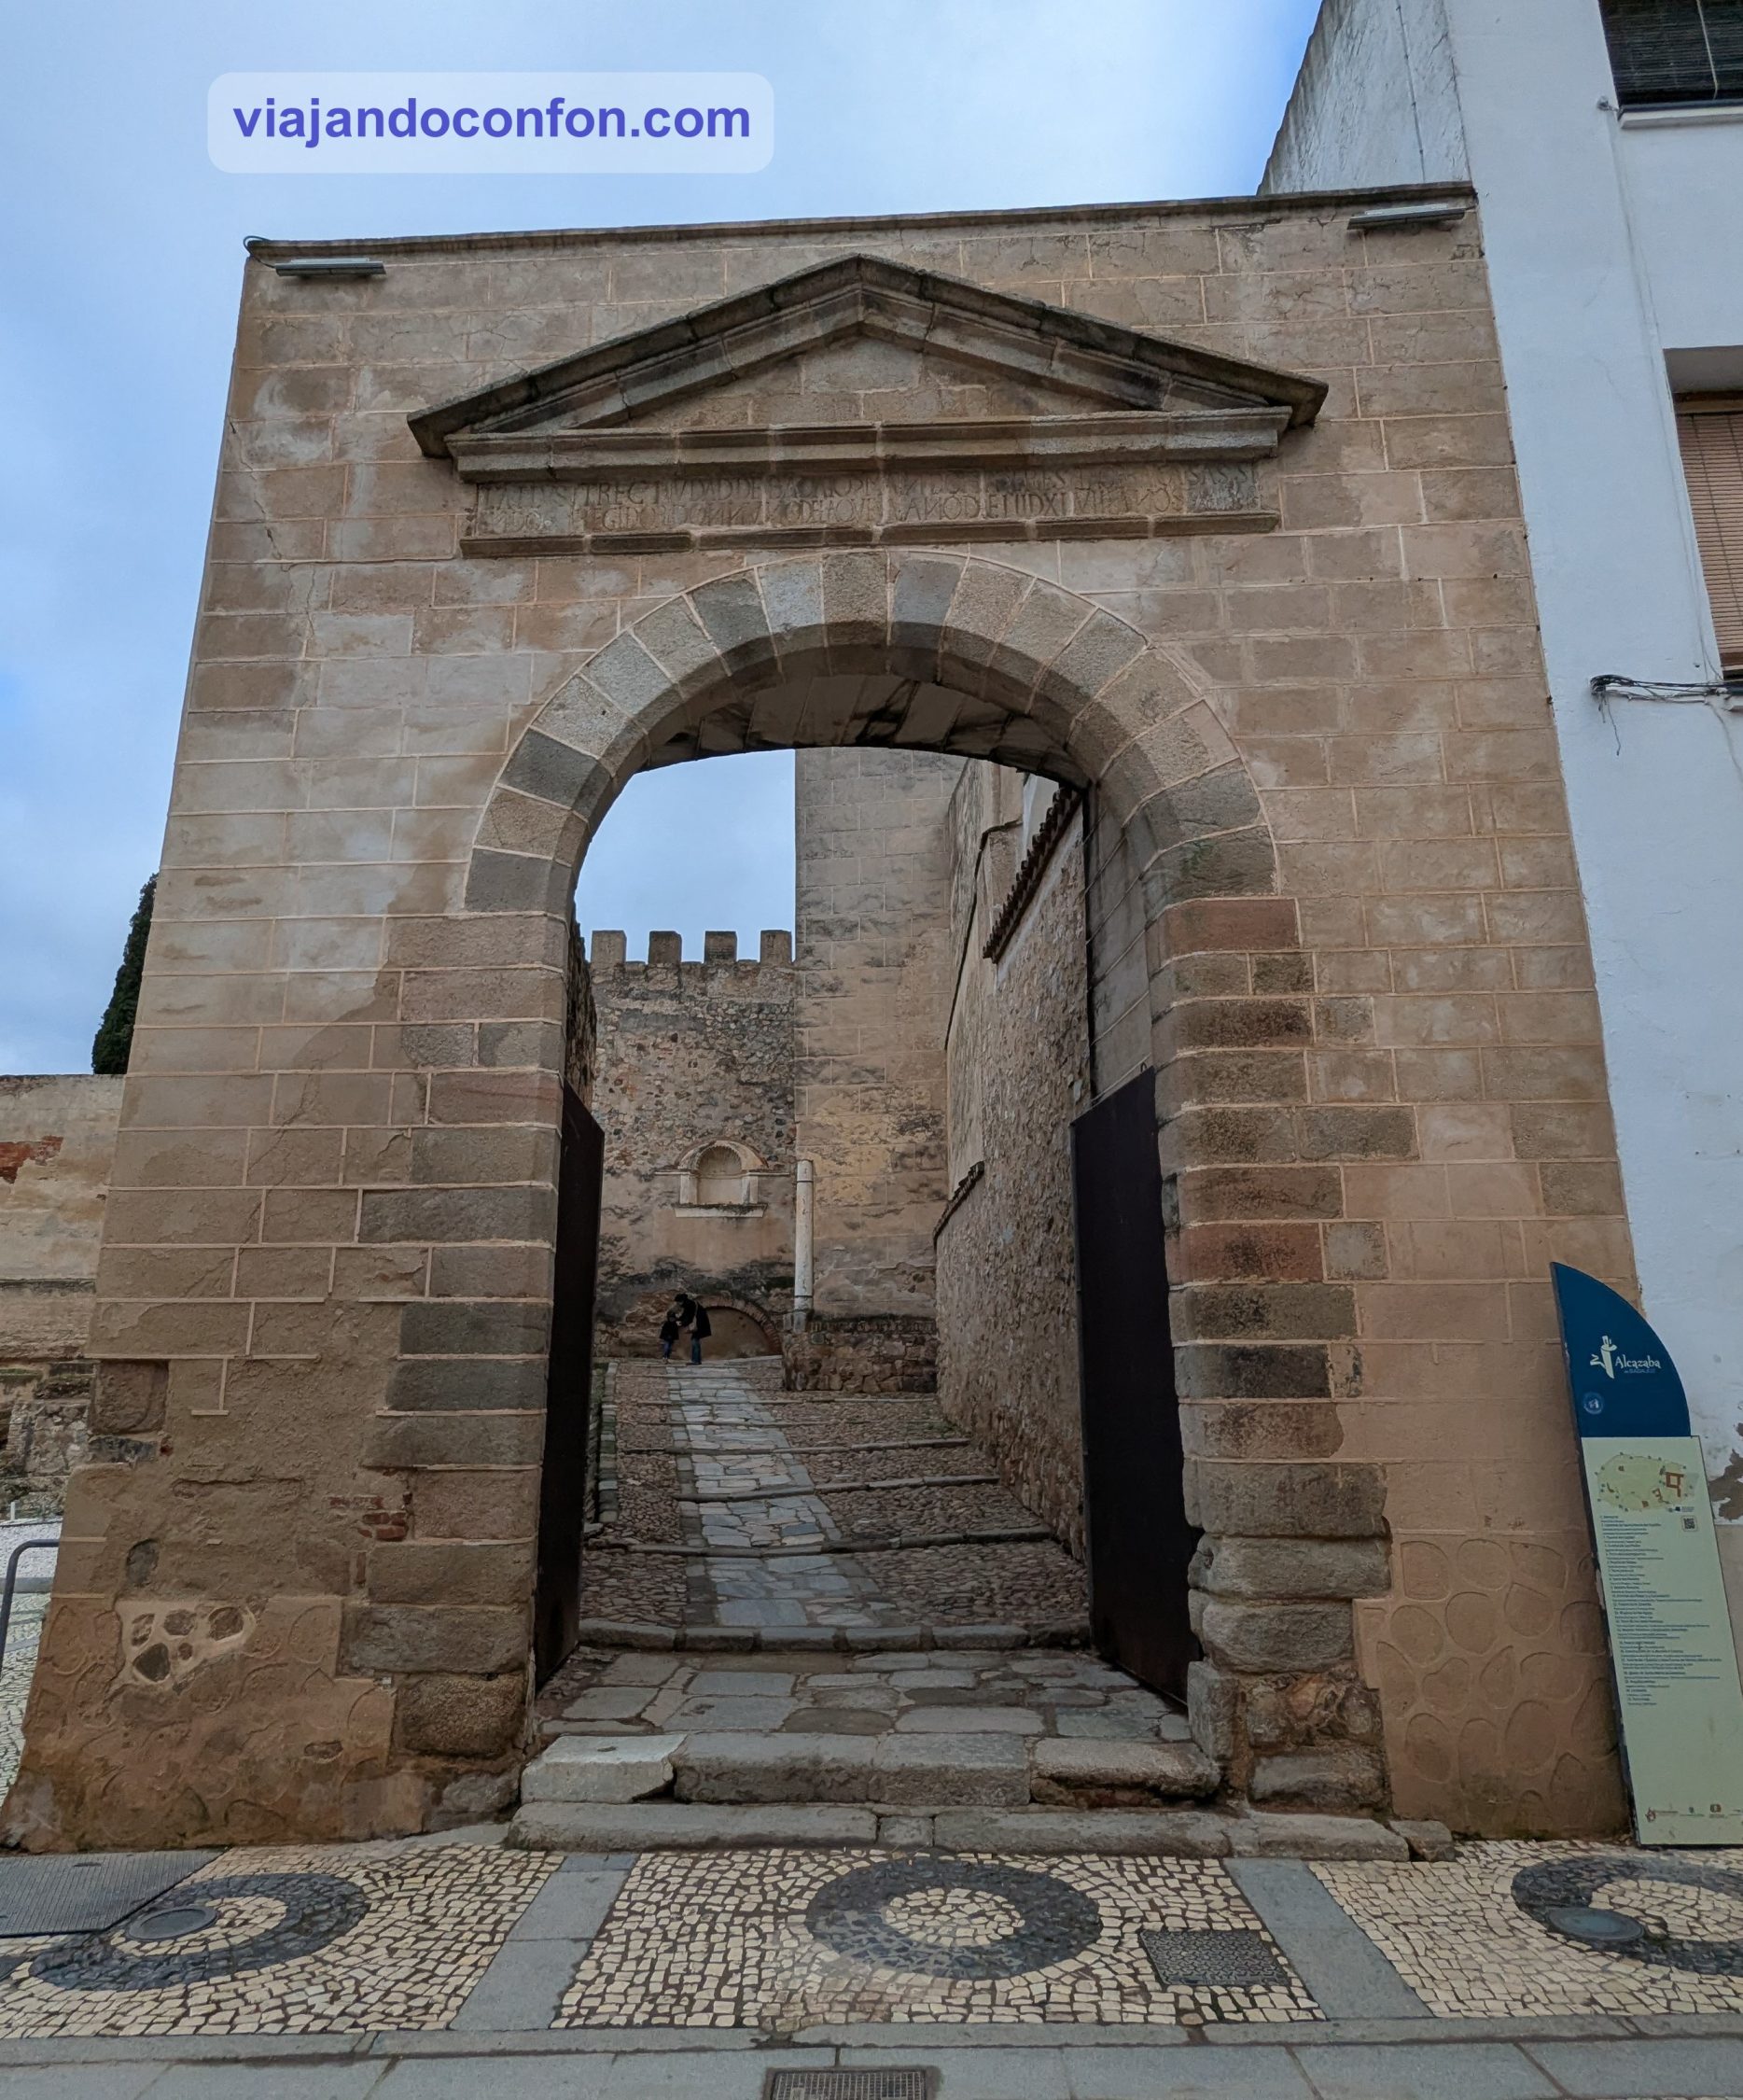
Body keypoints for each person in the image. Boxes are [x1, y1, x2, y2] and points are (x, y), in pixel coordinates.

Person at [674, 1291, 712, 1365]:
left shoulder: (690, 1305)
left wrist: (682, 1323)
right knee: (695, 1340)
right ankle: (696, 1360)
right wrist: (678, 1320)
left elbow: (690, 1317)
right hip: (700, 1324)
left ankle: (696, 1361)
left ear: (681, 1301)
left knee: (695, 1341)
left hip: (700, 1324)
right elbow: (685, 1315)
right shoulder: (688, 1304)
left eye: (678, 1302)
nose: (677, 1304)